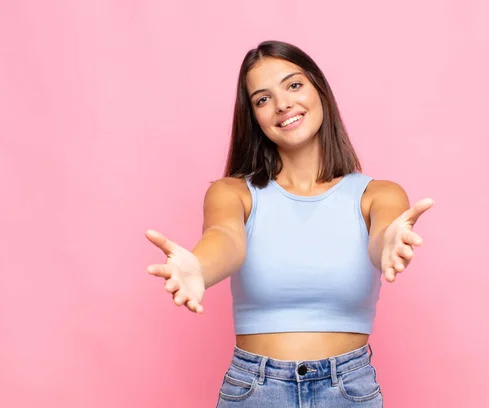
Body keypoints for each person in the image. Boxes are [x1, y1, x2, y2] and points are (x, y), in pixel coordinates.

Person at [145, 40, 434, 407]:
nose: (282, 104)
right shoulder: (233, 192)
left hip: (348, 392)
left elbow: (382, 241)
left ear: (320, 91)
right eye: (262, 99)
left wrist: (391, 242)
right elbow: (226, 239)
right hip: (255, 391)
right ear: (254, 118)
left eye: (293, 85)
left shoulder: (380, 194)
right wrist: (199, 267)